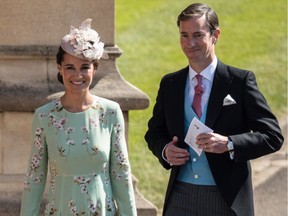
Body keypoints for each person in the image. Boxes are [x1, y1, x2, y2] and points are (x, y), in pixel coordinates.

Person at [145, 3, 284, 216]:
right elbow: (154, 132)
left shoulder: (239, 81)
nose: (189, 43)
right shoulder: (170, 83)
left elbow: (272, 136)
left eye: (197, 35)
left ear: (215, 35)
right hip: (180, 196)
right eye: (184, 35)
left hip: (225, 198)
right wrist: (165, 150)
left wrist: (228, 144)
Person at [20, 19, 137, 216]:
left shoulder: (110, 112)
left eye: (84, 67)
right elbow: (35, 177)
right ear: (59, 68)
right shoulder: (45, 116)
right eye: (70, 67)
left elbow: (121, 173)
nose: (78, 75)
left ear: (95, 68)